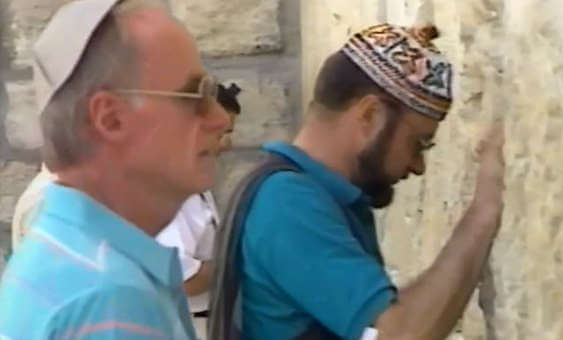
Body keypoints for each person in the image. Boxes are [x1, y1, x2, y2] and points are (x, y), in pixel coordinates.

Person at [210, 24, 505, 340]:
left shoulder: (312, 195)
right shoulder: (289, 204)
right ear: (370, 115)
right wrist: (483, 212)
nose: (417, 166)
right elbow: (400, 334)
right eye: (418, 143)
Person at [0, 0, 229, 338]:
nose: (220, 119)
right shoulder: (111, 299)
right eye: (195, 96)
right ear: (111, 118)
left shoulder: (62, 251)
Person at [156, 83, 242, 316]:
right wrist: (237, 260)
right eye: (221, 134)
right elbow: (184, 278)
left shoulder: (194, 183)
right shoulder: (173, 190)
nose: (227, 145)